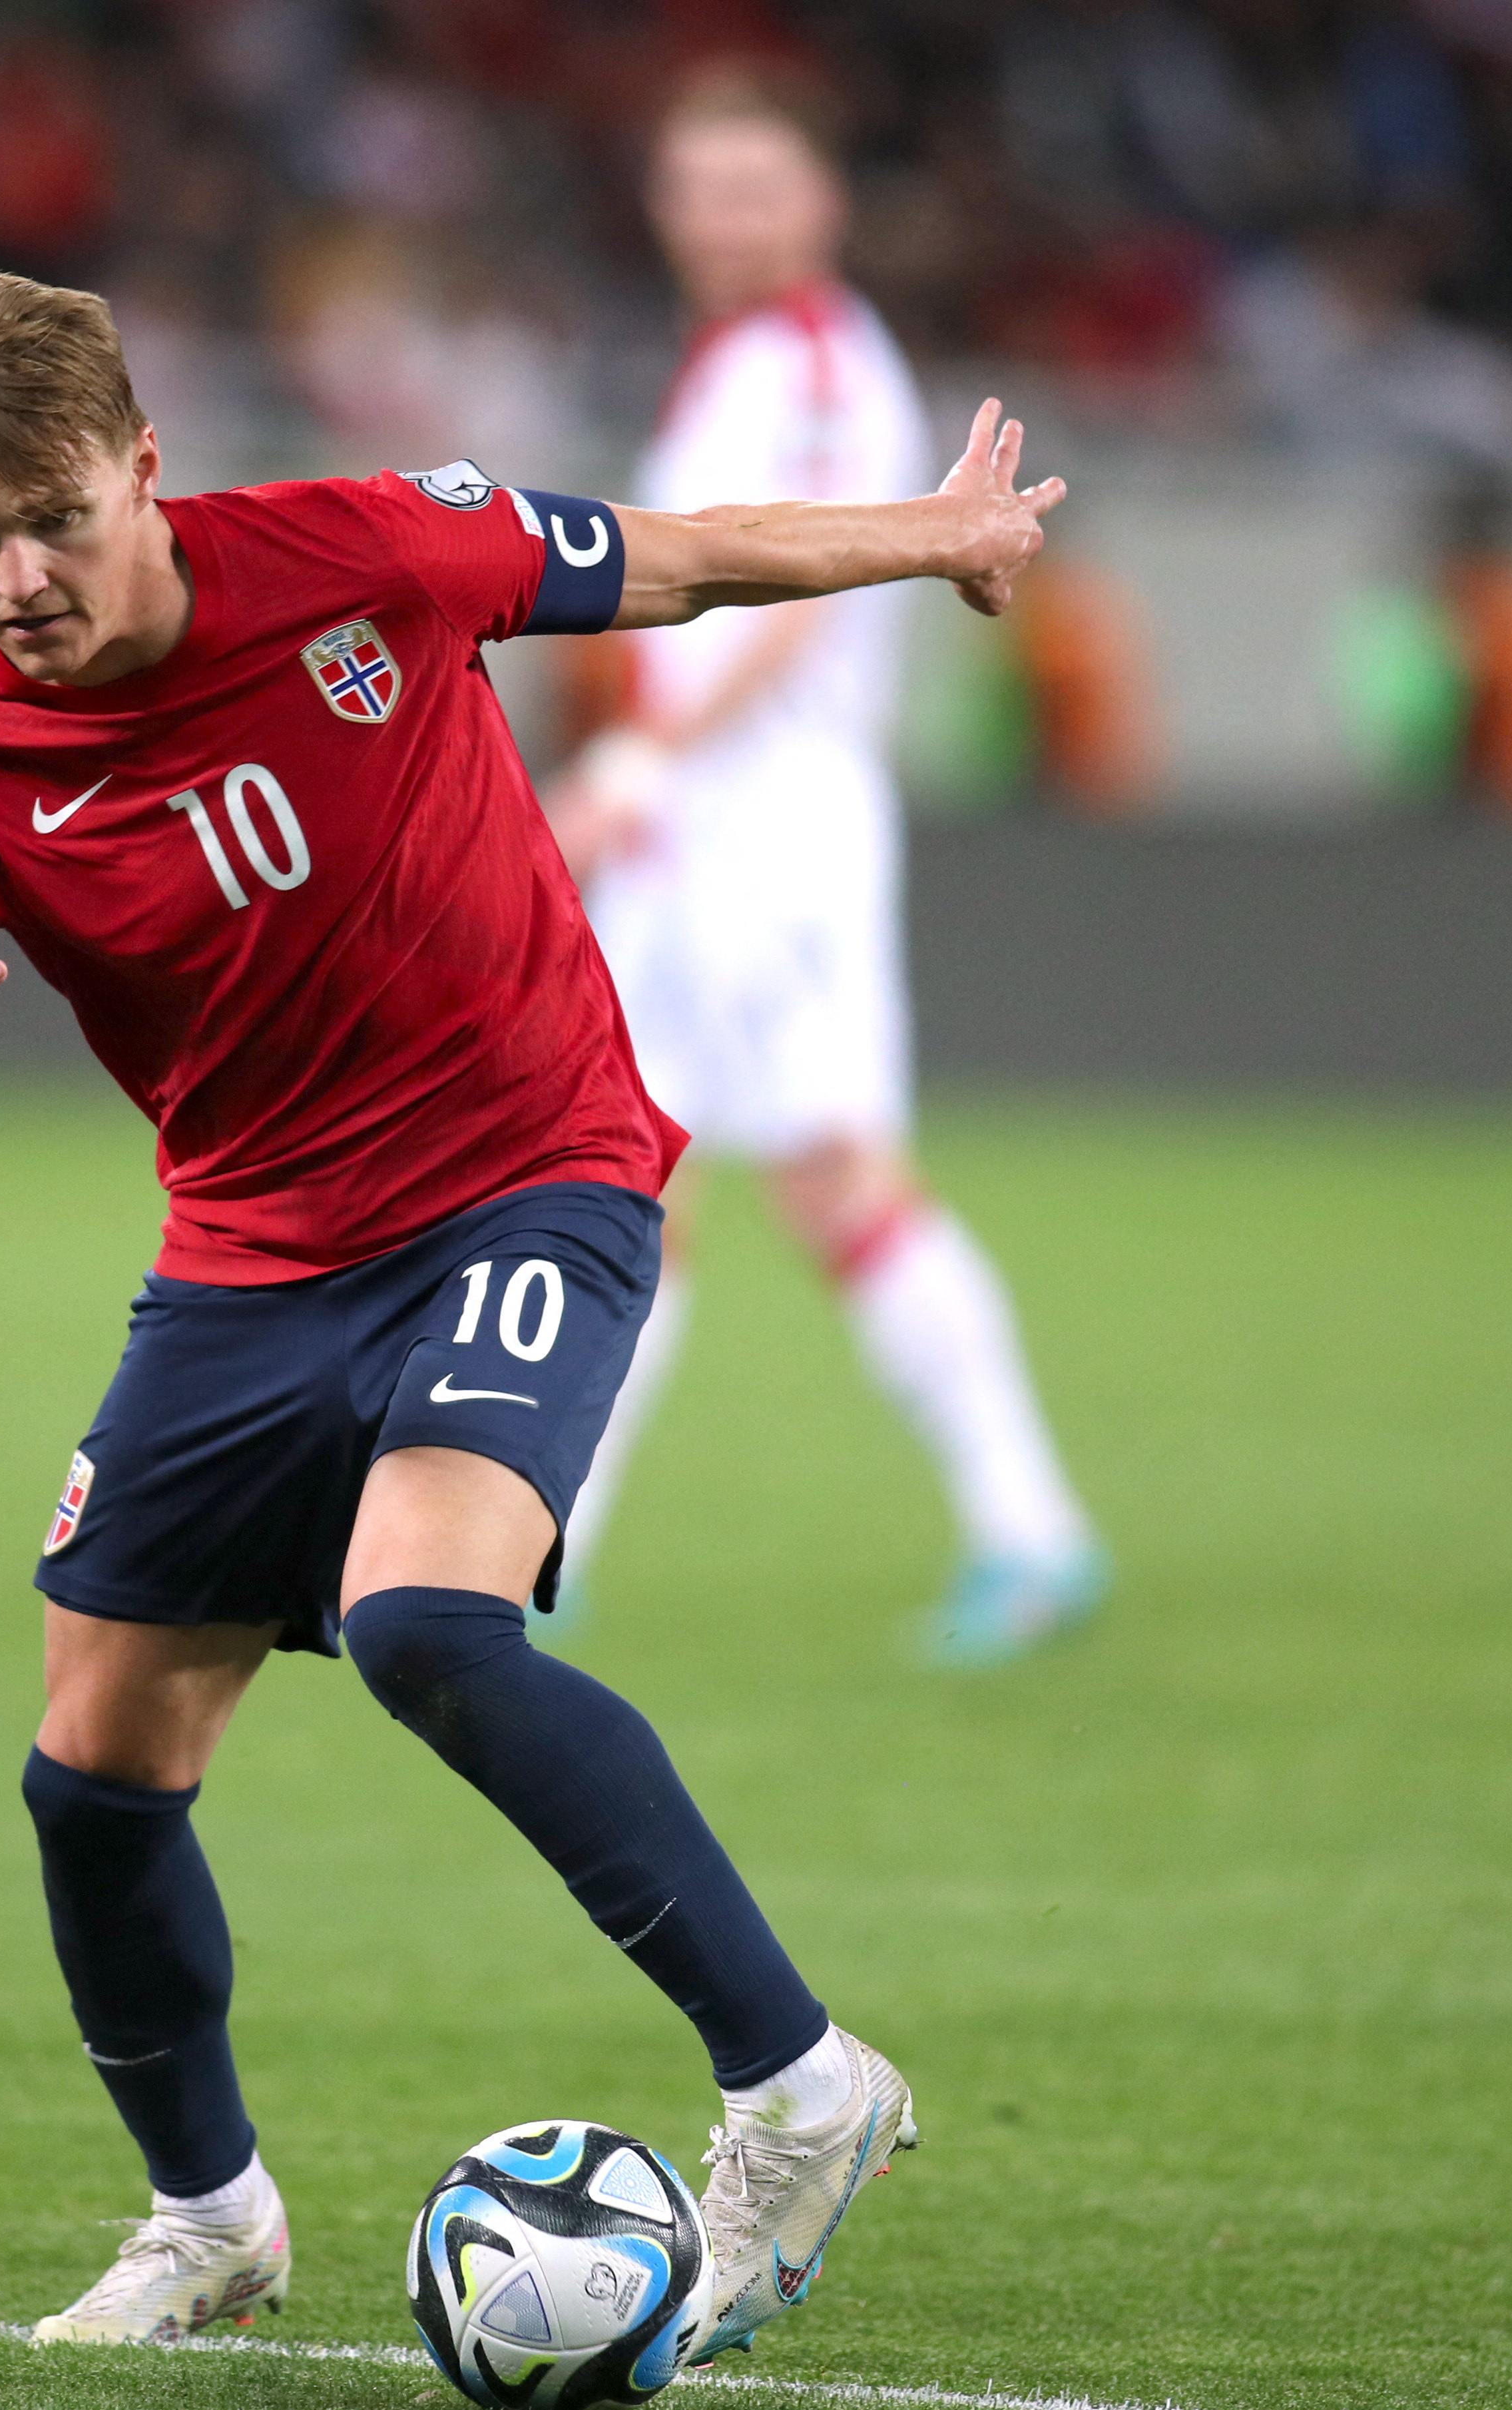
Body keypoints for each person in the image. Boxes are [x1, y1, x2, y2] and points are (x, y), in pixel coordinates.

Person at [0, 272, 1059, 2361]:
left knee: (423, 1620)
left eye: (51, 514)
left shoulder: (361, 551)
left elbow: (662, 561)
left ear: (142, 464)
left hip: (527, 1169)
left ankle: (798, 2083)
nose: (17, 576)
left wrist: (930, 534)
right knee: (95, 1773)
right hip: (242, 1250)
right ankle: (206, 2220)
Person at [549, 68, 1104, 1667]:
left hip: (767, 814)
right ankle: (543, 1541)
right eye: (694, 187)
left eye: (751, 187)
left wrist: (651, 750)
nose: (720, 218)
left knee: (830, 1176)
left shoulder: (807, 359)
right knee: (625, 1175)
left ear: (818, 205)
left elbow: (796, 596)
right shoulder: (743, 356)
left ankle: (1031, 1529)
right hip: (697, 820)